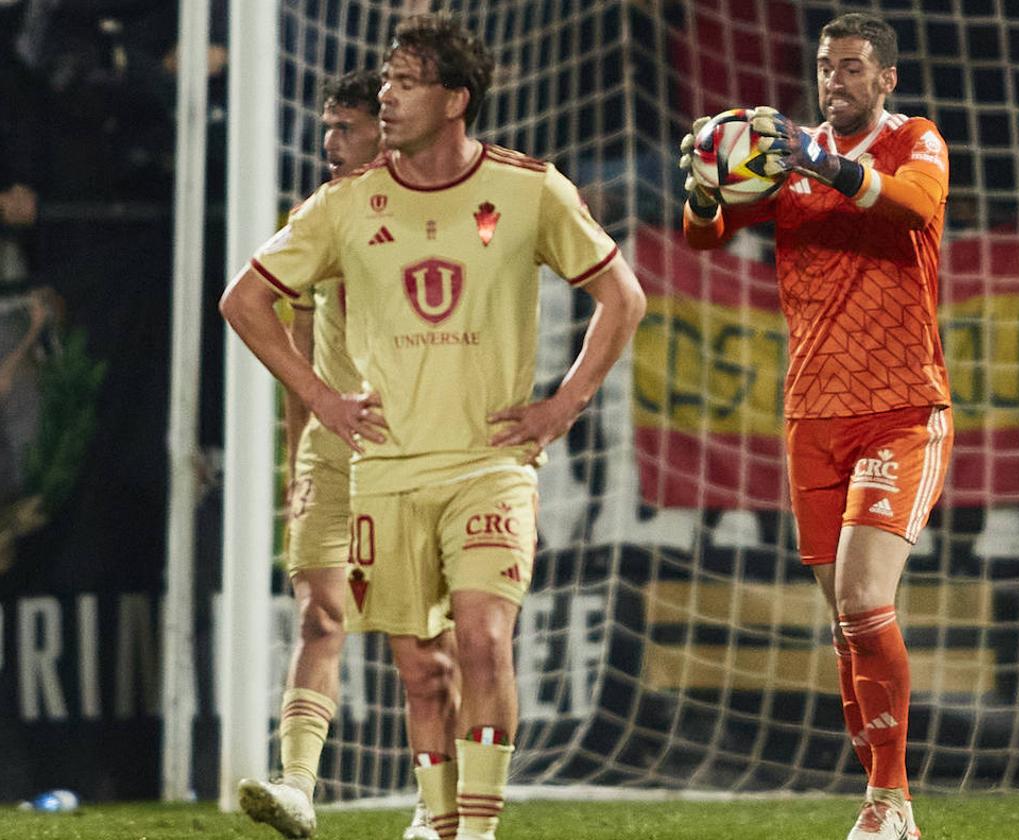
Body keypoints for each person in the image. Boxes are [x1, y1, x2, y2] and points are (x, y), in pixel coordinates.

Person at [221, 12, 645, 840]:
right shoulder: (344, 205)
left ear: (456, 100)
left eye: (405, 83)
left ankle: (475, 831)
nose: (386, 95)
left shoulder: (531, 188)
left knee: (486, 640)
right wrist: (324, 400)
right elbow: (245, 300)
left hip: (490, 465)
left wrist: (564, 402)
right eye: (384, 80)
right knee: (421, 671)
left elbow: (622, 297)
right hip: (385, 469)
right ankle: (435, 817)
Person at [680, 12, 952, 840]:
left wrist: (822, 162)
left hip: (903, 407)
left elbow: (911, 208)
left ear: (886, 79)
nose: (835, 80)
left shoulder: (915, 140)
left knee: (867, 603)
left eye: (853, 68)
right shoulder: (786, 155)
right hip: (811, 416)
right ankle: (884, 803)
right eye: (827, 67)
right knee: (844, 620)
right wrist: (702, 188)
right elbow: (706, 237)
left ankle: (890, 801)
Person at [234, 69, 454, 840]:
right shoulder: (320, 215)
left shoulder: (448, 211)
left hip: (423, 450)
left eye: (346, 128)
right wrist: (303, 441)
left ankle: (435, 804)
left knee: (421, 642)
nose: (328, 144)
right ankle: (297, 787)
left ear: (389, 131)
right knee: (319, 615)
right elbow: (285, 325)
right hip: (334, 452)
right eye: (327, 127)